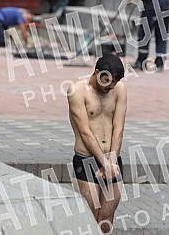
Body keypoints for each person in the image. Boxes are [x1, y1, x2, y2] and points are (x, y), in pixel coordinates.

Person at [67, 54, 127, 233]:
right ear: (97, 72)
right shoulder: (77, 91)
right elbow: (85, 131)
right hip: (87, 160)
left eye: (114, 82)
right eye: (107, 80)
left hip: (112, 160)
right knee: (90, 219)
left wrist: (112, 162)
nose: (110, 86)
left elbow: (119, 128)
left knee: (106, 220)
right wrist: (103, 162)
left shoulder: (119, 90)